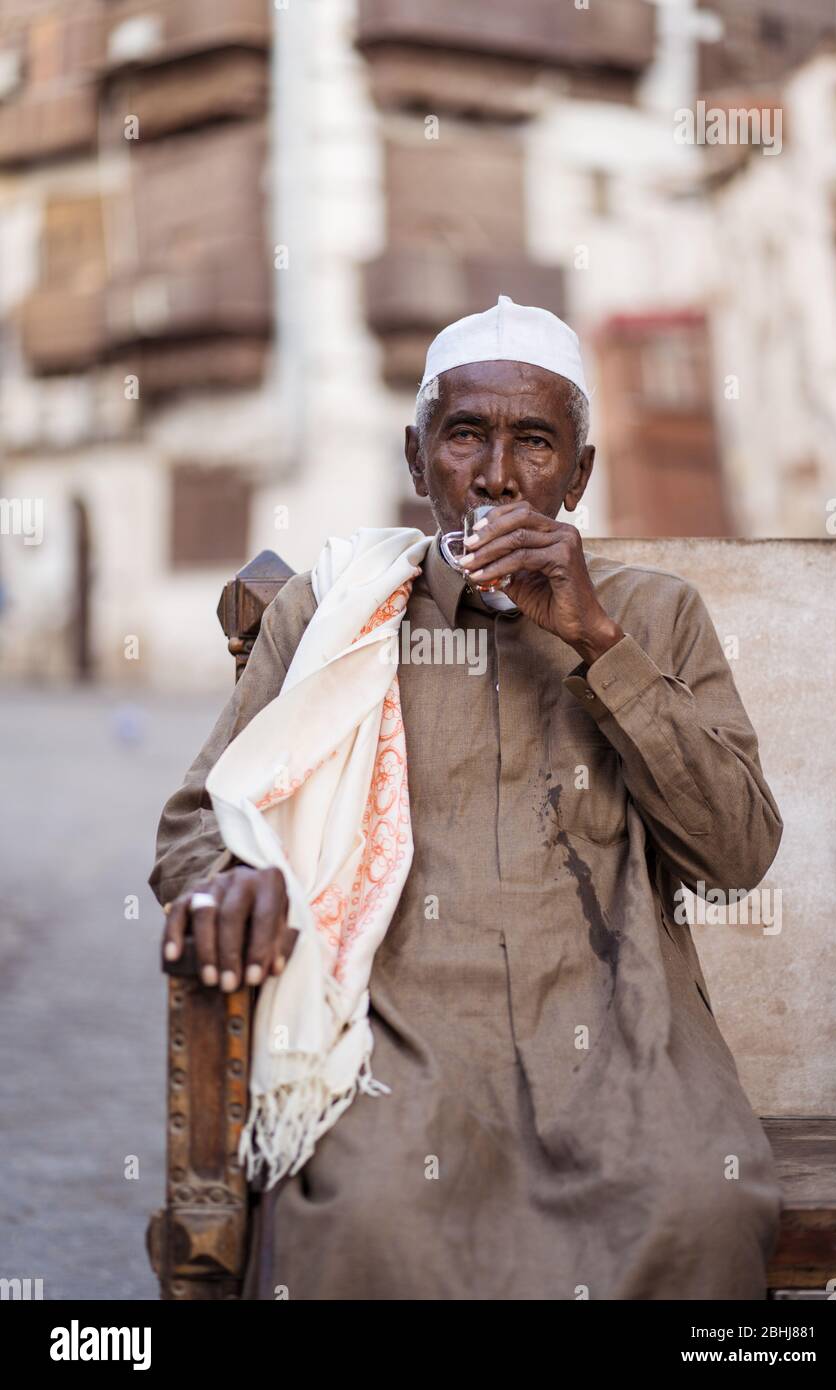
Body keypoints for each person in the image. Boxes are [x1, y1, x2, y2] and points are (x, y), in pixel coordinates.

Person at [150, 295, 784, 1300]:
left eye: (533, 442)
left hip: (620, 1033)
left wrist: (596, 642)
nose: (495, 475)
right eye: (463, 437)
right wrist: (231, 880)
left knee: (692, 1210)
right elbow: (197, 819)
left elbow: (737, 852)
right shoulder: (333, 612)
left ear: (578, 472)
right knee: (367, 1217)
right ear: (415, 460)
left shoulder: (655, 615)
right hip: (389, 1034)